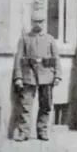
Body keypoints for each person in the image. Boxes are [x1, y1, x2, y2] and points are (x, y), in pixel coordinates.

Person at [12, 9, 62, 141]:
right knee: (25, 106)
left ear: (44, 23)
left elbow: (56, 58)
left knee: (45, 106)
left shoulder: (50, 39)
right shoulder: (24, 39)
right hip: (29, 75)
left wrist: (57, 76)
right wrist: (18, 77)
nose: (38, 24)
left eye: (40, 22)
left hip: (46, 76)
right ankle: (24, 132)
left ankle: (42, 130)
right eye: (35, 21)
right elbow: (18, 59)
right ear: (31, 22)